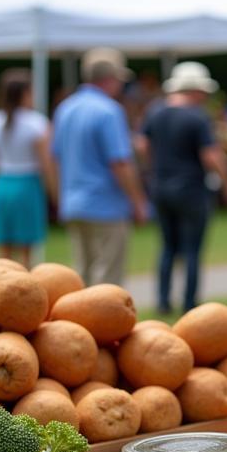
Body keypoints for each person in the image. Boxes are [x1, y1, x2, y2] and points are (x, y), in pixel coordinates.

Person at [138, 62, 227, 315]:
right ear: (194, 90)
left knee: (167, 247)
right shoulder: (196, 116)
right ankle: (189, 302)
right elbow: (211, 156)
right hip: (191, 188)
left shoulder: (155, 112)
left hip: (160, 187)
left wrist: (156, 167)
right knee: (192, 247)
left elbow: (141, 145)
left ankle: (163, 301)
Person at [52, 47, 147, 285]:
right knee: (108, 282)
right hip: (106, 205)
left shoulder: (65, 108)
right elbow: (120, 163)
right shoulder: (109, 111)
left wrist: (59, 198)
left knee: (82, 276)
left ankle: (77, 323)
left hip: (73, 202)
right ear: (111, 79)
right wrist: (138, 201)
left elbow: (55, 158)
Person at [0, 69, 55, 265]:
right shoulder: (36, 123)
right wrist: (53, 192)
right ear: (24, 93)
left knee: (3, 251)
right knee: (26, 252)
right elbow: (46, 164)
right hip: (27, 185)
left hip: (2, 185)